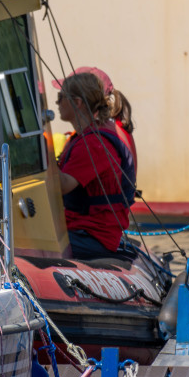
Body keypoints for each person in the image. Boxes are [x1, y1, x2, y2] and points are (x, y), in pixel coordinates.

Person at [54, 72, 136, 257]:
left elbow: (63, 185)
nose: (57, 104)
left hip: (93, 236)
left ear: (77, 102)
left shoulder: (93, 144)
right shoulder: (83, 138)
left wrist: (41, 151)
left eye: (61, 98)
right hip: (79, 230)